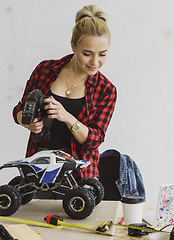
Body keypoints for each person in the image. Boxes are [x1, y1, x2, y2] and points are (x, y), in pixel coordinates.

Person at [13, 4, 117, 179]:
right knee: (34, 207)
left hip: (80, 173)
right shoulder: (45, 70)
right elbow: (19, 110)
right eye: (87, 53)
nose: (95, 61)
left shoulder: (106, 90)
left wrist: (67, 117)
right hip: (39, 165)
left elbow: (95, 139)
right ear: (73, 46)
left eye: (102, 54)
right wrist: (27, 122)